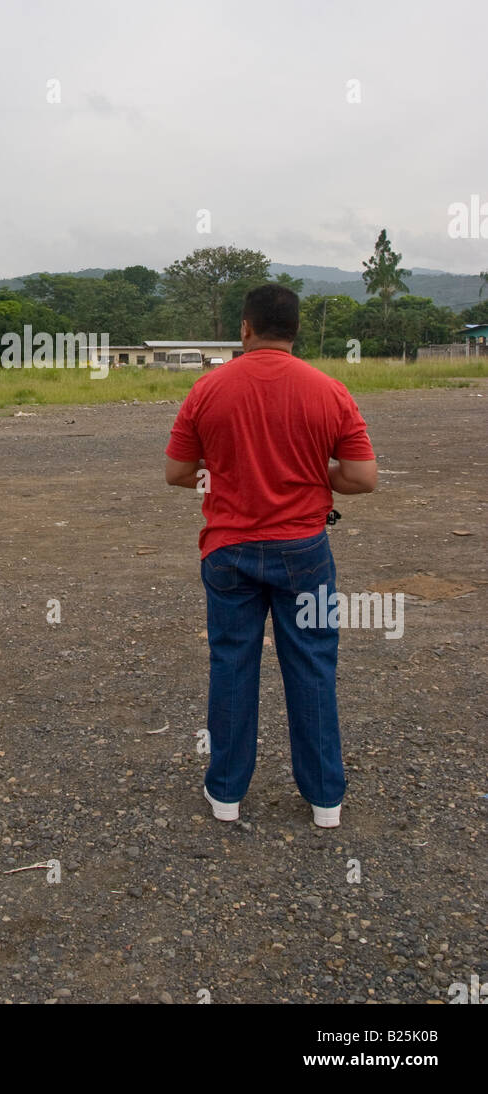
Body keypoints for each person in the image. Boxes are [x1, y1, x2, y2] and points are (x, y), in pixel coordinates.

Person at [164, 284, 377, 827]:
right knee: (311, 665)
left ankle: (227, 795)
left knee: (231, 664)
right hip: (304, 553)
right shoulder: (329, 390)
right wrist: (311, 474)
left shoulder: (207, 389)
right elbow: (361, 477)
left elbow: (178, 473)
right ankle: (325, 799)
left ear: (245, 328)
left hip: (229, 551)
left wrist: (225, 476)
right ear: (295, 330)